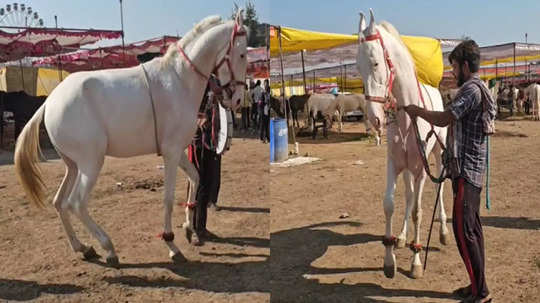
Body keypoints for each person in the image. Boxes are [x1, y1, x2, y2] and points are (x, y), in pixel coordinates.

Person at [404, 40, 495, 303]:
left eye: (454, 66)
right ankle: (478, 284)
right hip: (467, 170)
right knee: (472, 230)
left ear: (465, 66)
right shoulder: (478, 88)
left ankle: (481, 293)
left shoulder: (471, 91)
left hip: (467, 171)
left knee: (464, 231)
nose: (452, 72)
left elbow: (446, 118)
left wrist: (417, 111)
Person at [188, 78, 223, 246]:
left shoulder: (215, 81)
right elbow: (187, 107)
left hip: (213, 141)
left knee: (207, 185)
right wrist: (197, 119)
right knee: (197, 186)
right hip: (199, 142)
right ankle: (192, 228)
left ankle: (201, 227)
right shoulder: (196, 81)